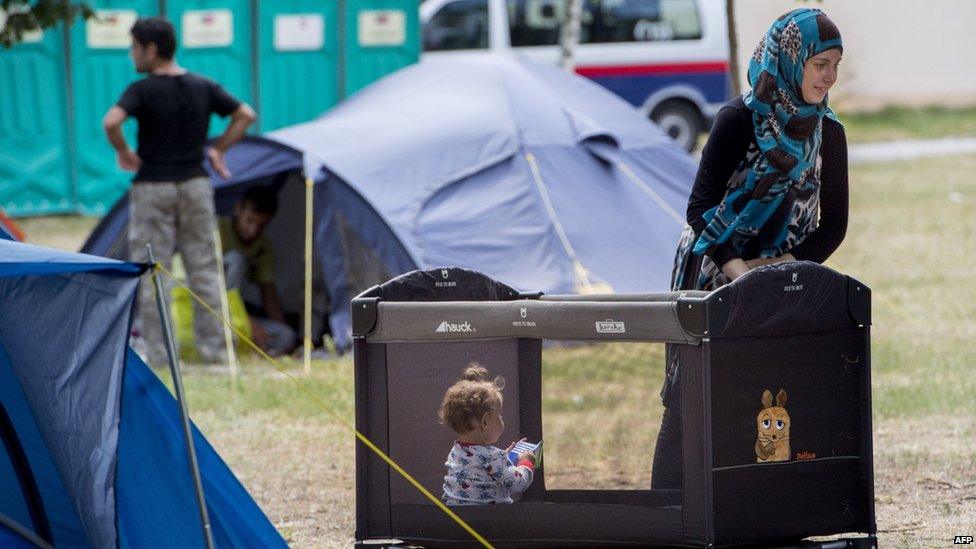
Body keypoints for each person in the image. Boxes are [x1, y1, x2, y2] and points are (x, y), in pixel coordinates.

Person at [651, 8, 848, 488]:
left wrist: (779, 271)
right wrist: (743, 276)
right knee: (689, 398)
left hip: (781, 280)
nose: (830, 76)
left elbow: (833, 227)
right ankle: (672, 509)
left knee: (769, 397)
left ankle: (754, 506)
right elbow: (699, 209)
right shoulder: (737, 118)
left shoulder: (829, 132)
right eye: (820, 63)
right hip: (713, 271)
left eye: (836, 64)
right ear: (792, 57)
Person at [102, 16, 256, 366]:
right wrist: (219, 150)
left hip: (153, 187)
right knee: (205, 269)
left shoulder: (140, 90)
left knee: (153, 270)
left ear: (151, 50)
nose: (131, 55)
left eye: (134, 47)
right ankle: (215, 356)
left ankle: (161, 357)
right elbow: (245, 114)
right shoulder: (202, 85)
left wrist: (124, 152)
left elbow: (111, 121)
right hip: (195, 186)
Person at [439, 364, 537, 505]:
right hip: (489, 519)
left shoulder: (456, 451)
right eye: (500, 415)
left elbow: (479, 470)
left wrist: (504, 458)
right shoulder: (493, 457)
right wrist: (526, 461)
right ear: (485, 422)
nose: (502, 419)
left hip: (456, 517)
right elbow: (518, 484)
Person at [219, 185, 297, 357]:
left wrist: (287, 339)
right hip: (213, 311)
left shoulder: (263, 246)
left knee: (285, 335)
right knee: (235, 260)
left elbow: (268, 294)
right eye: (250, 221)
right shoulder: (217, 231)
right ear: (238, 209)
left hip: (242, 316)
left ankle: (257, 351)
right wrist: (246, 321)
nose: (253, 231)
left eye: (261, 225)